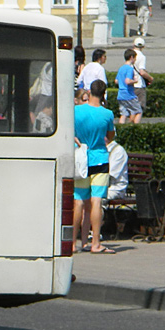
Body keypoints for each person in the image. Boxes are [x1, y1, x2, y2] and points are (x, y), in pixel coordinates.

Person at [73, 80, 116, 254]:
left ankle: (72, 242)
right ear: (104, 94)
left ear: (90, 92)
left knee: (78, 201)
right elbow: (110, 136)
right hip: (100, 158)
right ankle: (96, 243)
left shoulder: (77, 111)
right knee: (96, 201)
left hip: (81, 159)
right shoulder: (107, 114)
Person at [114, 49, 142, 124]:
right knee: (138, 111)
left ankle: (121, 128)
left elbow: (116, 81)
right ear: (131, 57)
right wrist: (135, 81)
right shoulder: (129, 68)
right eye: (135, 58)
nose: (135, 60)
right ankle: (136, 129)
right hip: (129, 94)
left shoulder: (121, 68)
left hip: (120, 95)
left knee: (124, 114)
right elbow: (128, 81)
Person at [132, 37, 153, 114]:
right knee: (139, 109)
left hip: (131, 84)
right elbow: (142, 72)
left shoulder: (130, 54)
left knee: (131, 109)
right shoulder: (141, 56)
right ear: (143, 46)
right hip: (139, 84)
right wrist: (150, 78)